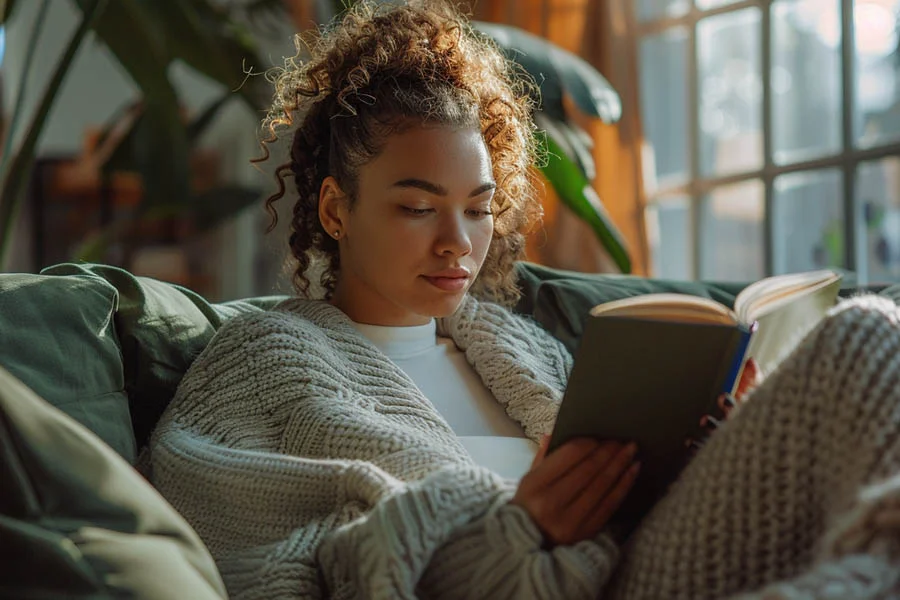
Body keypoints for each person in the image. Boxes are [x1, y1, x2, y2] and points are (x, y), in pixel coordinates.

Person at [148, 1, 900, 598]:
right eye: (417, 208)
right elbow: (270, 566)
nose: (457, 244)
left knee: (868, 336)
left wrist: (716, 439)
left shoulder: (526, 351)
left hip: (650, 569)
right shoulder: (262, 367)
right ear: (337, 210)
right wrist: (517, 532)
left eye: (477, 209)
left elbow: (642, 510)